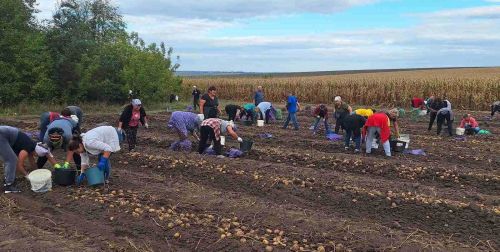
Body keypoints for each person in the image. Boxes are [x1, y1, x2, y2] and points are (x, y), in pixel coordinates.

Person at [1, 126, 54, 193]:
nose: (35, 156)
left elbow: (32, 162)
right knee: (12, 160)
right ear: (36, 152)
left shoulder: (31, 146)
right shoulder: (27, 148)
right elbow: (19, 165)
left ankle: (8, 179)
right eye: (37, 155)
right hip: (2, 135)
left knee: (9, 158)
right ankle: (9, 185)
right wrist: (27, 176)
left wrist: (37, 173)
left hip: (6, 135)